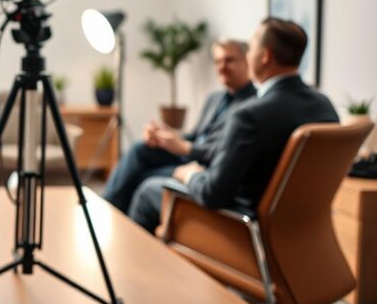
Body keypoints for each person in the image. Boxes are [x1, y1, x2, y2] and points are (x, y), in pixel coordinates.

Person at [129, 18, 339, 233]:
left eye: (251, 48)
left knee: (147, 191)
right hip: (300, 229)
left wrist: (190, 174)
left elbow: (212, 194)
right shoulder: (325, 107)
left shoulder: (249, 115)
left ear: (265, 56)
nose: (248, 55)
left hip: (243, 227)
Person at [102, 39, 255, 213]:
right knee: (140, 149)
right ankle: (107, 209)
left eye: (229, 60)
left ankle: (112, 214)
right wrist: (165, 135)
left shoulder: (251, 108)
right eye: (218, 61)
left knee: (140, 177)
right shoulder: (215, 98)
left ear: (247, 61)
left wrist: (184, 147)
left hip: (203, 166)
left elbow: (222, 153)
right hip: (188, 155)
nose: (222, 67)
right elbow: (194, 136)